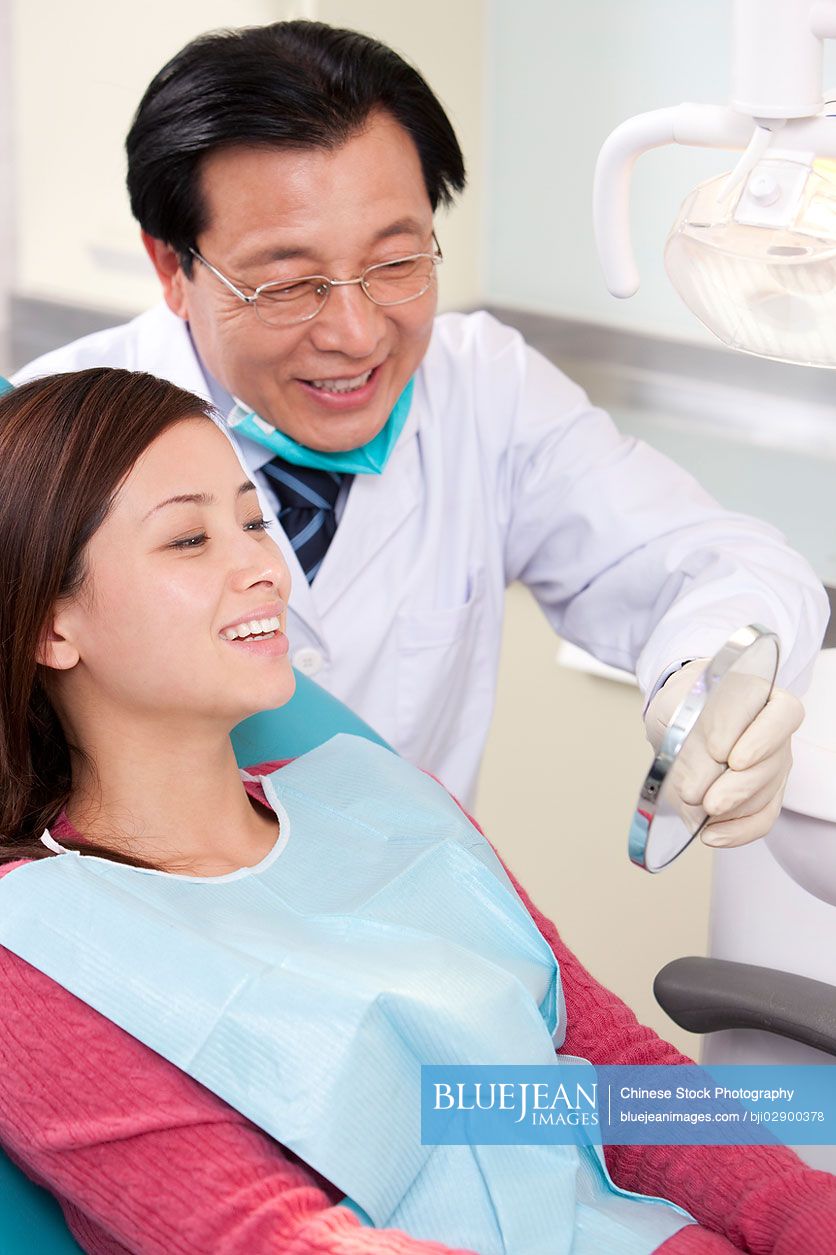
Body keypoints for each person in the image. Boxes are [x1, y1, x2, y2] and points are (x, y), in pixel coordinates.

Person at [0, 368, 835, 1255]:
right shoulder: (38, 947)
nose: (263, 568)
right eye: (189, 539)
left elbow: (618, 1083)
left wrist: (809, 1220)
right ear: (52, 626)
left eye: (254, 522)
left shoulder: (380, 795)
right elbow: (272, 1240)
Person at [12, 21, 827, 833]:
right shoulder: (42, 443)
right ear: (172, 266)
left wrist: (710, 681)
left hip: (417, 900)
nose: (356, 334)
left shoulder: (485, 389)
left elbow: (715, 561)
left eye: (396, 263)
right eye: (289, 284)